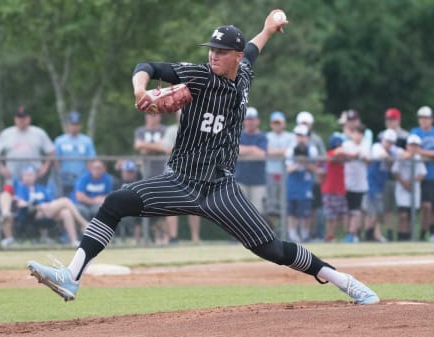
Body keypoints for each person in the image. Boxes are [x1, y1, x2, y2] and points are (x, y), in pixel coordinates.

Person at [28, 11, 379, 305]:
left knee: (272, 248)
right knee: (116, 201)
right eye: (212, 49)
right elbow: (146, 64)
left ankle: (341, 279)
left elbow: (255, 47)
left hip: (221, 189)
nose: (214, 55)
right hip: (180, 181)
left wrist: (270, 26)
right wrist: (140, 89)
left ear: (236, 57)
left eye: (222, 51)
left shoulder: (243, 74)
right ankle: (71, 275)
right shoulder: (197, 76)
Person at [0, 106, 55, 246]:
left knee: (41, 203)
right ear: (15, 119)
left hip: (34, 181)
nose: (21, 120)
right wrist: (1, 167)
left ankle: (43, 236)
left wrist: (44, 168)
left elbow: (51, 151)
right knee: (5, 198)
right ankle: (8, 236)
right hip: (13, 180)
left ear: (29, 119)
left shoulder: (38, 133)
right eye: (19, 117)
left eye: (24, 117)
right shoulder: (7, 133)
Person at [15, 166, 88, 246]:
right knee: (65, 201)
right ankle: (84, 224)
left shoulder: (40, 188)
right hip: (33, 214)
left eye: (30, 175)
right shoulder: (21, 188)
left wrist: (45, 205)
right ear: (22, 177)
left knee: (66, 212)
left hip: (47, 211)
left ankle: (73, 240)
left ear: (35, 176)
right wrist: (37, 206)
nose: (28, 177)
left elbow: (50, 201)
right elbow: (20, 203)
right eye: (26, 175)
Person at [160, 110, 201, 244]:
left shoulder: (197, 130)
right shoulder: (172, 130)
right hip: (173, 171)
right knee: (172, 205)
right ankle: (173, 237)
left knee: (194, 206)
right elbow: (167, 148)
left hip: (192, 172)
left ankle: (195, 238)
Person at [134, 113, 170, 244]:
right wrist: (158, 146)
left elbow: (166, 147)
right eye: (150, 115)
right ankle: (148, 237)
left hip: (164, 173)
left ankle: (166, 237)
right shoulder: (140, 131)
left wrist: (147, 146)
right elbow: (138, 146)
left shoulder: (165, 130)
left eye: (156, 115)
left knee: (166, 207)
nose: (153, 118)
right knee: (147, 206)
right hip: (146, 175)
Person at [364, 129, 403, 242]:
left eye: (391, 142)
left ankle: (371, 234)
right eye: (387, 141)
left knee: (377, 212)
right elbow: (383, 155)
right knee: (376, 211)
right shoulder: (377, 146)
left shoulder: (392, 150)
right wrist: (392, 157)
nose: (389, 144)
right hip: (372, 184)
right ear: (383, 140)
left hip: (381, 185)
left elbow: (404, 154)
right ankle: (369, 234)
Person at [377, 108, 410, 240]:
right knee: (388, 207)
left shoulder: (405, 136)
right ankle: (390, 232)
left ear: (398, 120)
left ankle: (404, 235)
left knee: (403, 209)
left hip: (402, 178)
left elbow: (408, 154)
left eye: (393, 119)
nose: (390, 122)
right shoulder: (381, 135)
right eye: (388, 119)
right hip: (386, 177)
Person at [296, 111, 326, 240]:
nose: (304, 125)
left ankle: (312, 233)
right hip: (297, 179)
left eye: (306, 123)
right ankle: (297, 234)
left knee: (313, 208)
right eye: (302, 123)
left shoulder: (316, 139)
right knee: (296, 207)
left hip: (312, 179)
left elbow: (323, 158)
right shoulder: (295, 138)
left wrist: (313, 164)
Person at [285, 124, 318, 242]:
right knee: (292, 212)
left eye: (302, 136)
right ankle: (293, 234)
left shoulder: (312, 150)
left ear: (307, 137)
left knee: (305, 212)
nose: (300, 138)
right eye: (298, 135)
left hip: (305, 184)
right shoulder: (290, 150)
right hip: (293, 184)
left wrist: (305, 163)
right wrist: (299, 164)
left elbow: (315, 168)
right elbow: (288, 168)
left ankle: (305, 234)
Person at [391, 134, 427, 241]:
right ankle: (401, 236)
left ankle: (409, 237)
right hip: (402, 190)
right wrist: (404, 183)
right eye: (412, 145)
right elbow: (395, 171)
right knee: (403, 215)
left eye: (416, 146)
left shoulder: (418, 158)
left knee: (412, 216)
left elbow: (422, 173)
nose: (414, 148)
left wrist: (412, 182)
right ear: (407, 146)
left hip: (414, 190)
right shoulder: (401, 156)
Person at [54, 111, 97, 197]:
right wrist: (58, 174)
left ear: (80, 126)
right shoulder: (59, 140)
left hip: (81, 178)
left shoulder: (87, 141)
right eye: (72, 124)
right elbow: (56, 160)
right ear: (68, 125)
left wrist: (89, 177)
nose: (74, 127)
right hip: (64, 179)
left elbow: (90, 161)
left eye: (76, 124)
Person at [236, 106, 268, 213]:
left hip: (258, 181)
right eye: (248, 119)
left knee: (257, 212)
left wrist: (245, 150)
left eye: (253, 119)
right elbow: (236, 150)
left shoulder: (262, 136)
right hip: (240, 180)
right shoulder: (238, 134)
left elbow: (262, 154)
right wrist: (253, 148)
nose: (251, 122)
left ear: (257, 121)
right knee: (240, 211)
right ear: (244, 120)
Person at [342, 124, 370, 243]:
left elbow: (367, 159)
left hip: (360, 184)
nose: (357, 136)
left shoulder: (366, 145)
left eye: (360, 133)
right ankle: (348, 233)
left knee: (356, 211)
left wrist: (359, 156)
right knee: (347, 211)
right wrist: (353, 155)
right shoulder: (347, 145)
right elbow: (342, 154)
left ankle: (352, 234)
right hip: (347, 183)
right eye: (355, 133)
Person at [410, 106, 434, 241]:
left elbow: (417, 150)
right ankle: (421, 233)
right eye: (421, 118)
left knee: (431, 207)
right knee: (425, 206)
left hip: (432, 174)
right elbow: (412, 149)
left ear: (431, 119)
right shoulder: (415, 132)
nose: (423, 120)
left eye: (426, 118)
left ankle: (430, 233)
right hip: (419, 175)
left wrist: (421, 152)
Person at [265, 111, 295, 216]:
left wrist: (274, 151)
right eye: (275, 123)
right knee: (270, 204)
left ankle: (284, 231)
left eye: (279, 123)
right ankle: (270, 229)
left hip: (286, 173)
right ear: (271, 124)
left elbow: (291, 151)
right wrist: (283, 151)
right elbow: (267, 151)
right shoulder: (266, 136)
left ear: (284, 123)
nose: (277, 125)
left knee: (284, 202)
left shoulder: (291, 136)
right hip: (270, 172)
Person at [320, 133, 348, 242]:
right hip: (329, 190)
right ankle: (329, 236)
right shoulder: (331, 153)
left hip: (340, 190)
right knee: (330, 216)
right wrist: (341, 150)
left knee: (338, 216)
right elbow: (333, 155)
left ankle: (333, 236)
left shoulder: (343, 155)